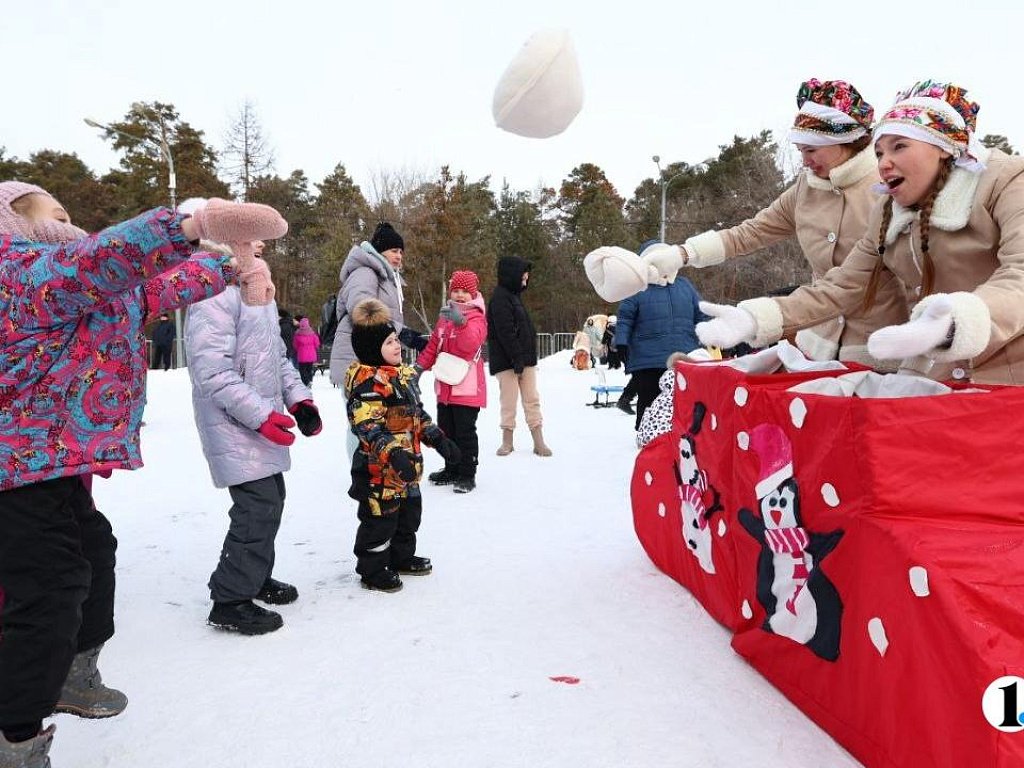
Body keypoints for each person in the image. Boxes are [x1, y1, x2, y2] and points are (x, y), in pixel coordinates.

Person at [0, 183, 286, 764]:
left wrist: (229, 267)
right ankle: (16, 736)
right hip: (13, 465)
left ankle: (72, 675)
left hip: (45, 462)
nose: (69, 222)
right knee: (52, 588)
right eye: (55, 214)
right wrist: (189, 223)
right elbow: (101, 261)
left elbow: (149, 290)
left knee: (94, 553)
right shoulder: (22, 275)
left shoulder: (76, 284)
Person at [696, 80, 1024, 386]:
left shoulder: (1007, 181)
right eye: (880, 152)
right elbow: (843, 285)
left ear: (943, 146)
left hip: (1006, 373)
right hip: (930, 372)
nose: (884, 162)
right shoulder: (887, 210)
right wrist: (758, 317)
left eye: (899, 146)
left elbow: (1019, 274)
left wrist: (957, 320)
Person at [644, 79, 906, 368]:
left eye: (812, 150)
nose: (805, 162)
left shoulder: (889, 188)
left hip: (879, 348)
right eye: (800, 151)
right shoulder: (804, 190)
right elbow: (750, 233)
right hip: (816, 345)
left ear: (842, 141)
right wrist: (683, 253)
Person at [183, 226, 321, 636]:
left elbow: (277, 357)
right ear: (229, 243)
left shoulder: (255, 289)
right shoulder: (213, 293)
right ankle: (230, 599)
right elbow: (212, 372)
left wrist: (299, 399)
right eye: (252, 238)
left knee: (271, 500)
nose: (261, 245)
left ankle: (254, 577)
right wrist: (260, 415)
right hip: (232, 421)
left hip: (259, 420)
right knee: (256, 507)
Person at [344, 299, 460, 592]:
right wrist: (393, 454)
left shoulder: (402, 378)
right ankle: (372, 569)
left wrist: (438, 438)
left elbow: (416, 415)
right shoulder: (367, 385)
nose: (397, 346)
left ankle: (401, 557)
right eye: (389, 342)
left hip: (408, 467)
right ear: (373, 348)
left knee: (409, 515)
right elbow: (368, 427)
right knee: (380, 521)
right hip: (379, 472)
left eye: (396, 340)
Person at [614, 240, 707, 429]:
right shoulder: (637, 287)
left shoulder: (684, 285)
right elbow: (625, 317)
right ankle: (646, 435)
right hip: (649, 359)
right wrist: (621, 342)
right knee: (649, 399)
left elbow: (701, 313)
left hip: (683, 356)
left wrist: (714, 334)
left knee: (682, 399)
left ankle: (680, 436)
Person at [329, 221, 426, 389]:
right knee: (367, 413)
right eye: (394, 251)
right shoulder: (365, 272)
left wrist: (401, 332)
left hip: (374, 358)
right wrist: (402, 332)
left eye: (401, 252)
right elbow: (363, 309)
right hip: (358, 358)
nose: (399, 256)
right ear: (380, 252)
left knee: (380, 412)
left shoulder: (386, 279)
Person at [416, 270, 488, 493]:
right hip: (446, 386)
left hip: (466, 388)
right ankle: (451, 468)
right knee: (446, 430)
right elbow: (433, 347)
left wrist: (461, 323)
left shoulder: (477, 317)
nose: (459, 295)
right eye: (455, 290)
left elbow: (470, 344)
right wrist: (419, 367)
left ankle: (467, 474)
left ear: (472, 293)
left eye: (464, 291)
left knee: (465, 432)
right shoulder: (444, 317)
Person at [486, 256, 552, 456]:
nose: (525, 280)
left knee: (532, 398)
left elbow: (523, 329)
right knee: (509, 401)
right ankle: (507, 441)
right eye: (523, 277)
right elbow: (505, 331)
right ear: (512, 275)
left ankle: (538, 440)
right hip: (508, 361)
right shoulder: (500, 298)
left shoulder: (515, 297)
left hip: (526, 360)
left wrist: (526, 357)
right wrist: (516, 358)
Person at [293, 316, 321, 387]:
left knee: (302, 370)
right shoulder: (313, 334)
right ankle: (310, 380)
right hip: (311, 355)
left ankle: (306, 382)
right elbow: (317, 344)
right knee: (309, 369)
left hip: (302, 355)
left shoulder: (297, 334)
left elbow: (295, 345)